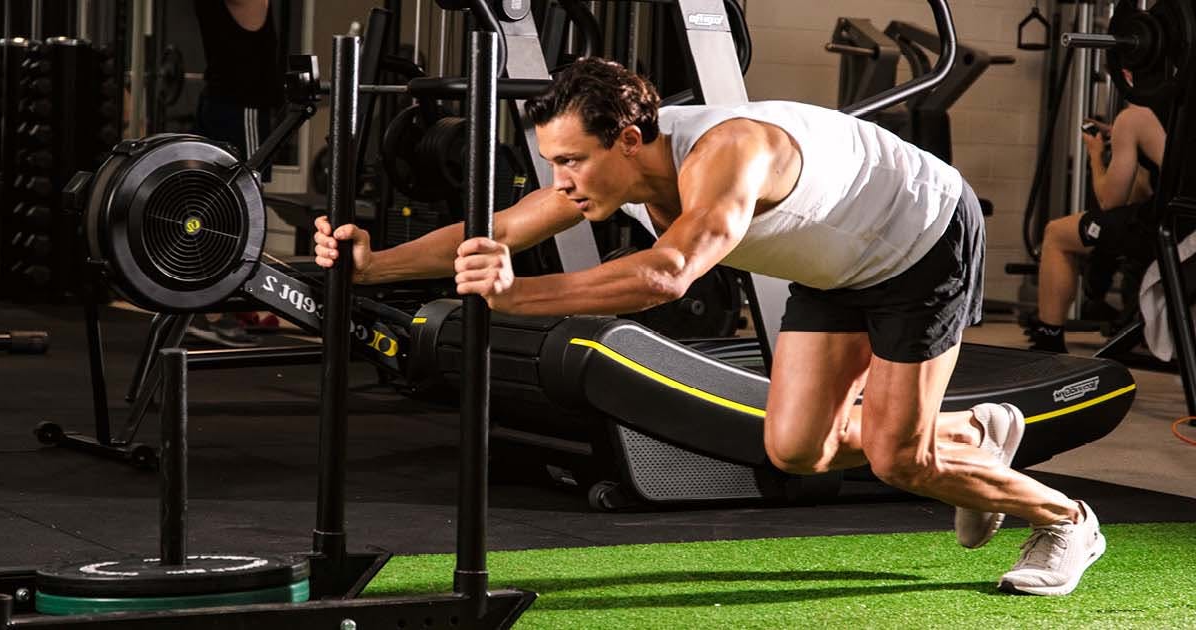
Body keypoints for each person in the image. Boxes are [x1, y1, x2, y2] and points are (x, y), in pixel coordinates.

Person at [314, 58, 1105, 596]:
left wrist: (513, 299)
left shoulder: (728, 153)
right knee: (797, 449)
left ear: (628, 140)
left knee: (899, 459)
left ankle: (1067, 520)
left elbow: (666, 276)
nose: (563, 182)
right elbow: (503, 225)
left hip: (921, 242)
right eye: (554, 163)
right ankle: (968, 439)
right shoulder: (609, 168)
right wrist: (375, 264)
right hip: (837, 268)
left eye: (573, 163)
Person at [1029, 100, 1167, 353]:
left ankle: (1048, 340)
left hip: (1170, 230)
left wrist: (1095, 154)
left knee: (1057, 234)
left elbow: (1109, 201)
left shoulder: (1136, 117)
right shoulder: (1179, 114)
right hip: (1181, 223)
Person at [188, 0, 287, 347]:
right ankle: (212, 310)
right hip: (238, 107)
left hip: (227, 103)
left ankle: (229, 298)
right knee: (238, 212)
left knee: (222, 208)